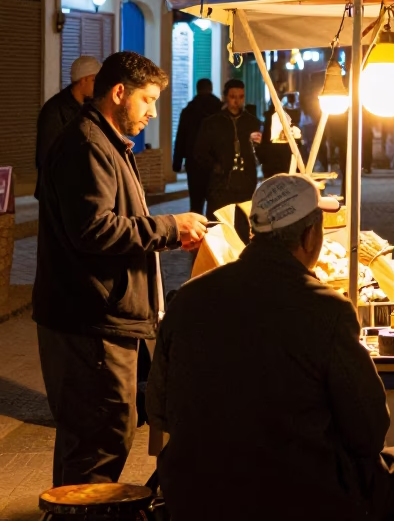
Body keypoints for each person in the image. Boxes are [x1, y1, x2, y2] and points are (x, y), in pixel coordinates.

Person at [147, 174, 394, 520]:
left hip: (195, 496)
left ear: (253, 233)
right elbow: (368, 432)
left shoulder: (187, 298)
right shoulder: (327, 308)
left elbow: (158, 410)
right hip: (297, 499)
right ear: (309, 237)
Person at [33, 51, 207, 486]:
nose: (151, 112)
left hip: (98, 317)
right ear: (118, 93)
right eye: (147, 100)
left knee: (94, 440)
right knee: (97, 443)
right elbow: (94, 230)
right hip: (89, 323)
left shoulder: (105, 141)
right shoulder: (87, 145)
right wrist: (169, 226)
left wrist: (166, 235)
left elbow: (116, 223)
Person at [193, 79, 265, 219]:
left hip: (245, 183)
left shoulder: (252, 122)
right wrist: (215, 167)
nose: (237, 101)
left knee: (243, 222)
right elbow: (199, 152)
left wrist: (259, 145)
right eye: (233, 96)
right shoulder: (212, 123)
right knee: (219, 223)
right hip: (220, 184)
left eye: (241, 96)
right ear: (225, 96)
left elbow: (263, 153)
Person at [34, 54, 101, 197]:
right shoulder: (54, 109)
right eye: (94, 80)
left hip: (81, 186)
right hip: (57, 190)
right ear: (83, 80)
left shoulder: (90, 107)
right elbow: (45, 156)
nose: (98, 86)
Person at [171, 78, 222, 214]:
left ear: (197, 89)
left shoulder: (189, 110)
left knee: (196, 203)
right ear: (210, 88)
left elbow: (181, 137)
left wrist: (177, 162)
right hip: (216, 163)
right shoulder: (220, 108)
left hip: (194, 163)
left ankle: (197, 232)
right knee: (215, 204)